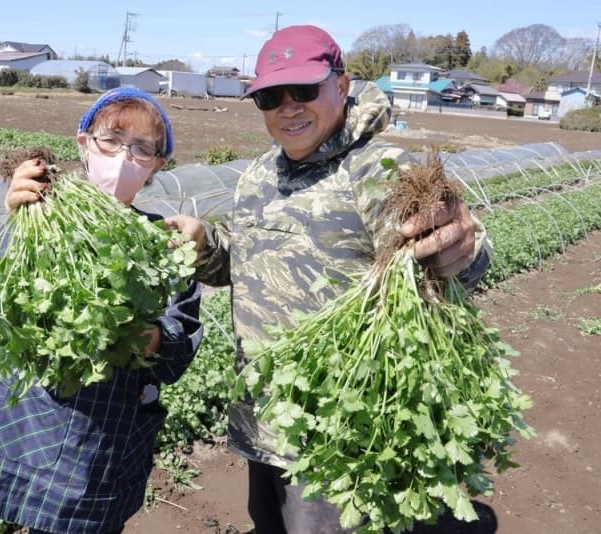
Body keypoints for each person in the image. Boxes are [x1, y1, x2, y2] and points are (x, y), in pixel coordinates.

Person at [165, 25, 492, 533]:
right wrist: (205, 244)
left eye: (305, 90)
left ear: (341, 86)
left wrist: (464, 251)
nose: (289, 107)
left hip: (338, 428)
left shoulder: (380, 171)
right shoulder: (258, 175)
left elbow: (447, 251)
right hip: (262, 416)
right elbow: (240, 263)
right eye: (272, 96)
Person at [0, 87, 204, 534]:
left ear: (158, 163)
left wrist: (151, 337)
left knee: (99, 521)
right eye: (111, 140)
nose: (123, 157)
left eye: (142, 149)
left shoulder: (164, 242)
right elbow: (5, 297)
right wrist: (17, 216)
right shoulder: (45, 216)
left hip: (111, 435)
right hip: (39, 422)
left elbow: (182, 340)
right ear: (84, 144)